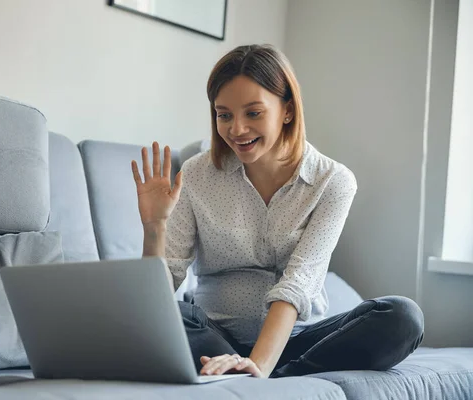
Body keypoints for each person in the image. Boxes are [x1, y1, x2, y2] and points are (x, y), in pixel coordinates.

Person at [131, 44, 424, 379]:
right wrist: (155, 226)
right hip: (214, 336)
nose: (237, 129)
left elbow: (298, 282)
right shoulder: (197, 174)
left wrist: (261, 365)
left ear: (287, 109)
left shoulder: (333, 182)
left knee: (401, 317)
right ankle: (250, 369)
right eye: (224, 114)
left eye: (253, 113)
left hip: (300, 341)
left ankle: (269, 375)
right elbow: (155, 298)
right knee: (169, 318)